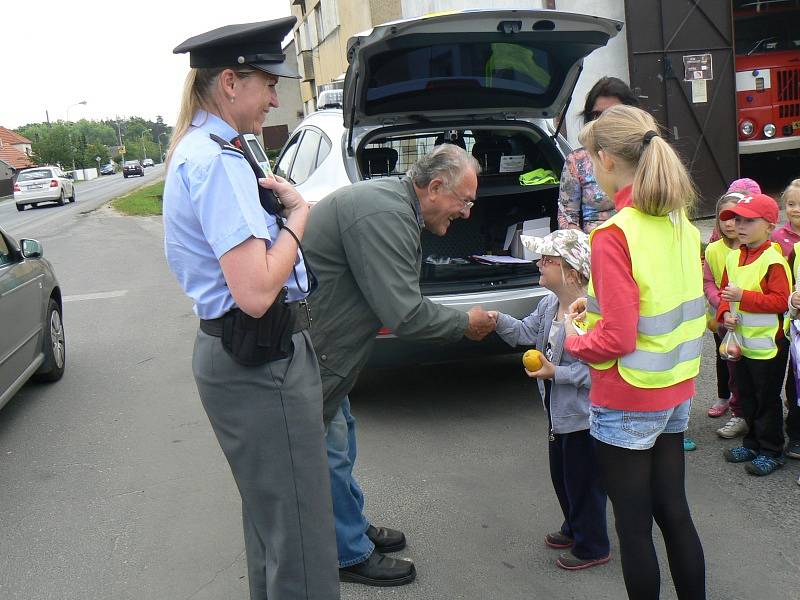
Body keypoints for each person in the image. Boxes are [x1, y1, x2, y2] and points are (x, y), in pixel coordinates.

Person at [162, 18, 339, 600]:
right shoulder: (216, 160)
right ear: (231, 82)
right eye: (268, 82)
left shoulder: (212, 148)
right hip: (260, 360)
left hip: (247, 355)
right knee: (301, 542)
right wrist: (298, 219)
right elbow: (258, 291)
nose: (274, 96)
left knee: (274, 530)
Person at [302, 144, 497, 586]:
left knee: (341, 437)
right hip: (322, 350)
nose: (467, 213)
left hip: (331, 348)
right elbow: (405, 314)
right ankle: (347, 553)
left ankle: (351, 526)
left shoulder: (393, 204)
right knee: (329, 451)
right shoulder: (385, 215)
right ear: (433, 187)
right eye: (464, 201)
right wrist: (464, 324)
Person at [564, 105, 707, 600]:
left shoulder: (612, 233)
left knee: (632, 527)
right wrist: (597, 303)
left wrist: (573, 338)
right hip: (676, 389)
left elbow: (617, 339)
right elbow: (660, 298)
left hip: (626, 397)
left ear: (604, 160)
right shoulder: (679, 221)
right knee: (675, 512)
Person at [489, 230, 610, 571]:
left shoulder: (588, 314)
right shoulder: (548, 305)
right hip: (557, 415)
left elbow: (596, 372)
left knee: (584, 483)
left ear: (572, 271)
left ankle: (593, 545)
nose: (539, 263)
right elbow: (525, 333)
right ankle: (574, 527)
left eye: (548, 260)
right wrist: (497, 320)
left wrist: (556, 373)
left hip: (583, 419)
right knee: (563, 477)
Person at [717, 193, 791, 477]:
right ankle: (752, 442)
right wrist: (724, 313)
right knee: (745, 394)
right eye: (737, 219)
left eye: (749, 220)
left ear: (770, 226)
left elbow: (780, 301)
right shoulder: (734, 256)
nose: (740, 225)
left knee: (766, 398)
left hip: (768, 345)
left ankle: (772, 450)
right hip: (741, 344)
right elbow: (725, 293)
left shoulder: (773, 261)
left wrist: (743, 297)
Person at [557, 76, 639, 234]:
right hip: (593, 246)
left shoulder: (644, 153)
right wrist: (583, 248)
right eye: (597, 114)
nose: (603, 121)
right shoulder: (577, 161)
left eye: (612, 113)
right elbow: (567, 216)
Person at [704, 193, 746, 442]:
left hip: (746, 318)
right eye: (724, 218)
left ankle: (744, 410)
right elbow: (708, 281)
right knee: (725, 362)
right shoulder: (712, 250)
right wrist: (719, 302)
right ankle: (731, 403)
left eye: (736, 218)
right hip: (720, 319)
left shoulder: (750, 247)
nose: (730, 224)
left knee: (746, 369)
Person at [777, 180, 800, 469]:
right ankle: (794, 432)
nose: (796, 209)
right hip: (787, 323)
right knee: (793, 381)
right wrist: (792, 298)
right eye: (792, 204)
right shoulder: (779, 240)